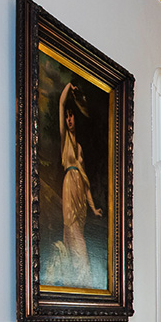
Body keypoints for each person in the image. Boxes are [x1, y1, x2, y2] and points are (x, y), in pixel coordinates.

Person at [59, 82, 101, 287]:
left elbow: (85, 184)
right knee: (73, 232)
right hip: (69, 187)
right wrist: (68, 87)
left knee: (80, 234)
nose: (68, 120)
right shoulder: (64, 140)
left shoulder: (80, 147)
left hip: (80, 195)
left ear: (76, 117)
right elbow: (60, 104)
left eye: (71, 115)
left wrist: (93, 208)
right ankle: (82, 275)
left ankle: (80, 278)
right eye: (66, 116)